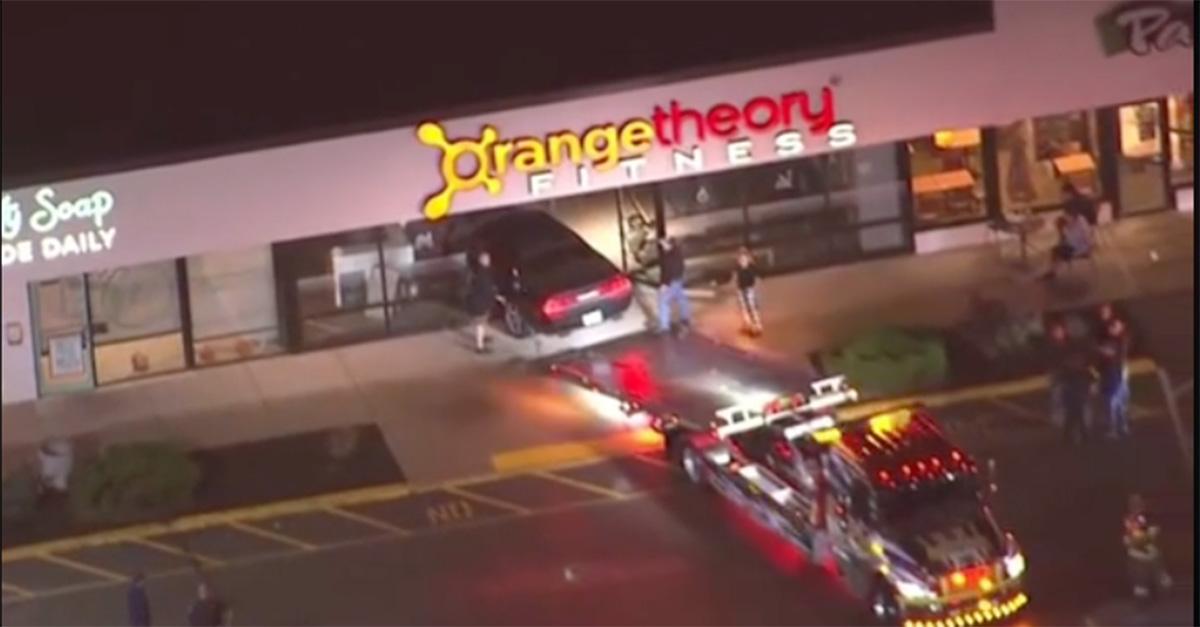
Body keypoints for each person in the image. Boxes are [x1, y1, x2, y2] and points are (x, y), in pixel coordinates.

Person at [1123, 494, 1173, 602]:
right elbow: (1129, 538)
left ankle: (1163, 597)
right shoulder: (1129, 520)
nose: (1136, 506)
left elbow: (1154, 531)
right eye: (1134, 504)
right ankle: (1143, 600)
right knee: (1140, 585)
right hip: (1137, 557)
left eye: (1138, 503)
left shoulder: (1149, 518)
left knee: (1162, 580)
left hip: (1152, 555)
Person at [1097, 317, 1132, 438]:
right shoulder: (1114, 340)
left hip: (1117, 373)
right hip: (1112, 373)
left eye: (1115, 326)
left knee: (1114, 402)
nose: (1112, 329)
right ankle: (1121, 426)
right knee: (1116, 403)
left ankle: (1116, 428)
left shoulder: (1121, 340)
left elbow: (1113, 354)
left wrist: (1102, 350)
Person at [465, 250, 499, 354]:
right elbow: (486, 289)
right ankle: (480, 347)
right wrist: (495, 295)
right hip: (479, 303)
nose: (489, 260)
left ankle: (481, 338)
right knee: (480, 324)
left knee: (481, 323)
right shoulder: (483, 274)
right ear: (482, 261)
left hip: (477, 301)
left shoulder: (478, 271)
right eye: (487, 259)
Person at [1043, 213, 1093, 281]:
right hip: (1075, 246)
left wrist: (1089, 248)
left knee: (1056, 251)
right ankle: (1053, 270)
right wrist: (1061, 232)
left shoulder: (1078, 223)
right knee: (1056, 250)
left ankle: (1053, 271)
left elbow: (1086, 236)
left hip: (1079, 248)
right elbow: (1064, 241)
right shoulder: (1070, 226)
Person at [1059, 351, 1095, 444]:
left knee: (1077, 416)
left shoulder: (1084, 371)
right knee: (1073, 417)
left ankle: (1079, 435)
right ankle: (1077, 436)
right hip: (1072, 398)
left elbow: (1092, 379)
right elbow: (1063, 385)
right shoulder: (1068, 373)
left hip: (1079, 397)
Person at [657, 237, 691, 334]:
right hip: (678, 280)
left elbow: (667, 271)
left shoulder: (668, 256)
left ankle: (664, 326)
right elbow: (681, 267)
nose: (662, 246)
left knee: (663, 301)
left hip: (670, 282)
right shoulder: (678, 253)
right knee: (682, 299)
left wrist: (665, 284)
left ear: (668, 244)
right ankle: (685, 318)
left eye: (663, 244)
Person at [734, 247, 763, 337]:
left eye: (744, 258)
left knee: (752, 308)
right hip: (741, 290)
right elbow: (737, 279)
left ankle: (757, 326)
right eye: (740, 259)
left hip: (749, 290)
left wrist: (753, 288)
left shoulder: (751, 268)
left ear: (748, 258)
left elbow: (755, 279)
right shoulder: (738, 268)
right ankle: (748, 325)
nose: (742, 261)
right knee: (744, 308)